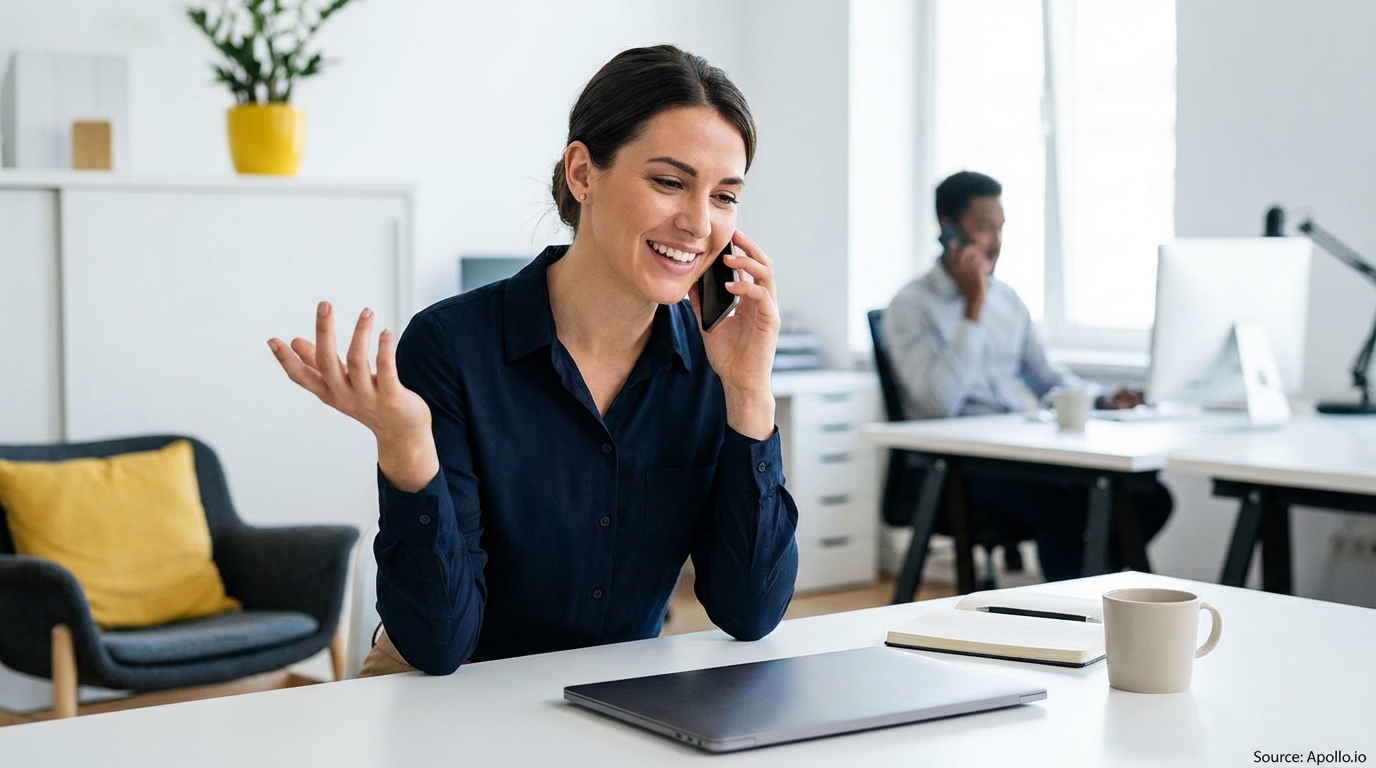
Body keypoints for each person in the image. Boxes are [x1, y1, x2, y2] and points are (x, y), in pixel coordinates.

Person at [267, 46, 798, 675]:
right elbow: (439, 645)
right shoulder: (450, 347)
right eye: (669, 182)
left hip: (619, 702)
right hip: (451, 697)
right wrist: (407, 444)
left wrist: (749, 395)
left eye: (725, 198)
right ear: (582, 173)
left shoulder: (715, 364)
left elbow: (751, 612)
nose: (699, 224)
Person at [884, 170, 1169, 581]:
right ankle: (1071, 609)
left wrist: (1104, 398)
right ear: (949, 230)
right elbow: (938, 401)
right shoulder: (912, 305)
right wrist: (973, 307)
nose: (996, 241)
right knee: (1066, 504)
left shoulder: (1008, 299)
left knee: (1147, 497)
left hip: (1020, 450)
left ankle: (1091, 590)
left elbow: (1048, 377)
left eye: (1000, 228)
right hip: (962, 466)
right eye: (984, 228)